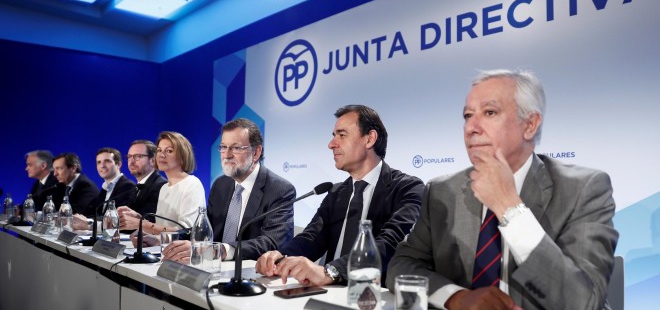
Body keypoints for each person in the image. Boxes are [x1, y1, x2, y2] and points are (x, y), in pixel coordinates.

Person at [386, 69, 619, 310]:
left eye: (489, 112)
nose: (471, 128)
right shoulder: (442, 191)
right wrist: (456, 297)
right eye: (467, 115)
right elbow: (401, 266)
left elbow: (584, 302)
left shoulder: (584, 188)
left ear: (529, 124)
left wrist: (510, 208)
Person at [255, 104, 424, 286]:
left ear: (370, 139)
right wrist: (281, 257)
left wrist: (330, 271)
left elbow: (390, 244)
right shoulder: (336, 192)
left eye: (342, 135)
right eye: (333, 136)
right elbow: (312, 237)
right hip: (327, 294)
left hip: (372, 296)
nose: (331, 144)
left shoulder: (408, 188)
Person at [162, 118, 296, 264]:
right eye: (223, 147)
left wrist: (220, 251)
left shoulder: (279, 189)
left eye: (236, 148)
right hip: (212, 268)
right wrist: (167, 238)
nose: (226, 155)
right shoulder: (221, 185)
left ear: (256, 152)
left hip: (252, 273)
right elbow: (207, 229)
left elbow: (271, 242)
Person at [120, 131, 206, 245]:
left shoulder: (192, 184)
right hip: (163, 251)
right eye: (159, 150)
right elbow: (162, 228)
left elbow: (187, 233)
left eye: (169, 151)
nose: (161, 155)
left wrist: (140, 224)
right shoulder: (164, 188)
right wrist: (140, 218)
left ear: (182, 156)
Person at [72, 148, 136, 228]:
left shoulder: (127, 186)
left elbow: (116, 220)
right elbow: (96, 214)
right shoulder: (105, 187)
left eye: (107, 161)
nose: (102, 166)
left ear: (119, 164)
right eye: (99, 162)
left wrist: (88, 223)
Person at [122, 140, 167, 224]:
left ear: (153, 160)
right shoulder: (136, 188)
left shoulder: (160, 186)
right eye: (129, 157)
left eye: (137, 156)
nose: (131, 162)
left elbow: (152, 221)